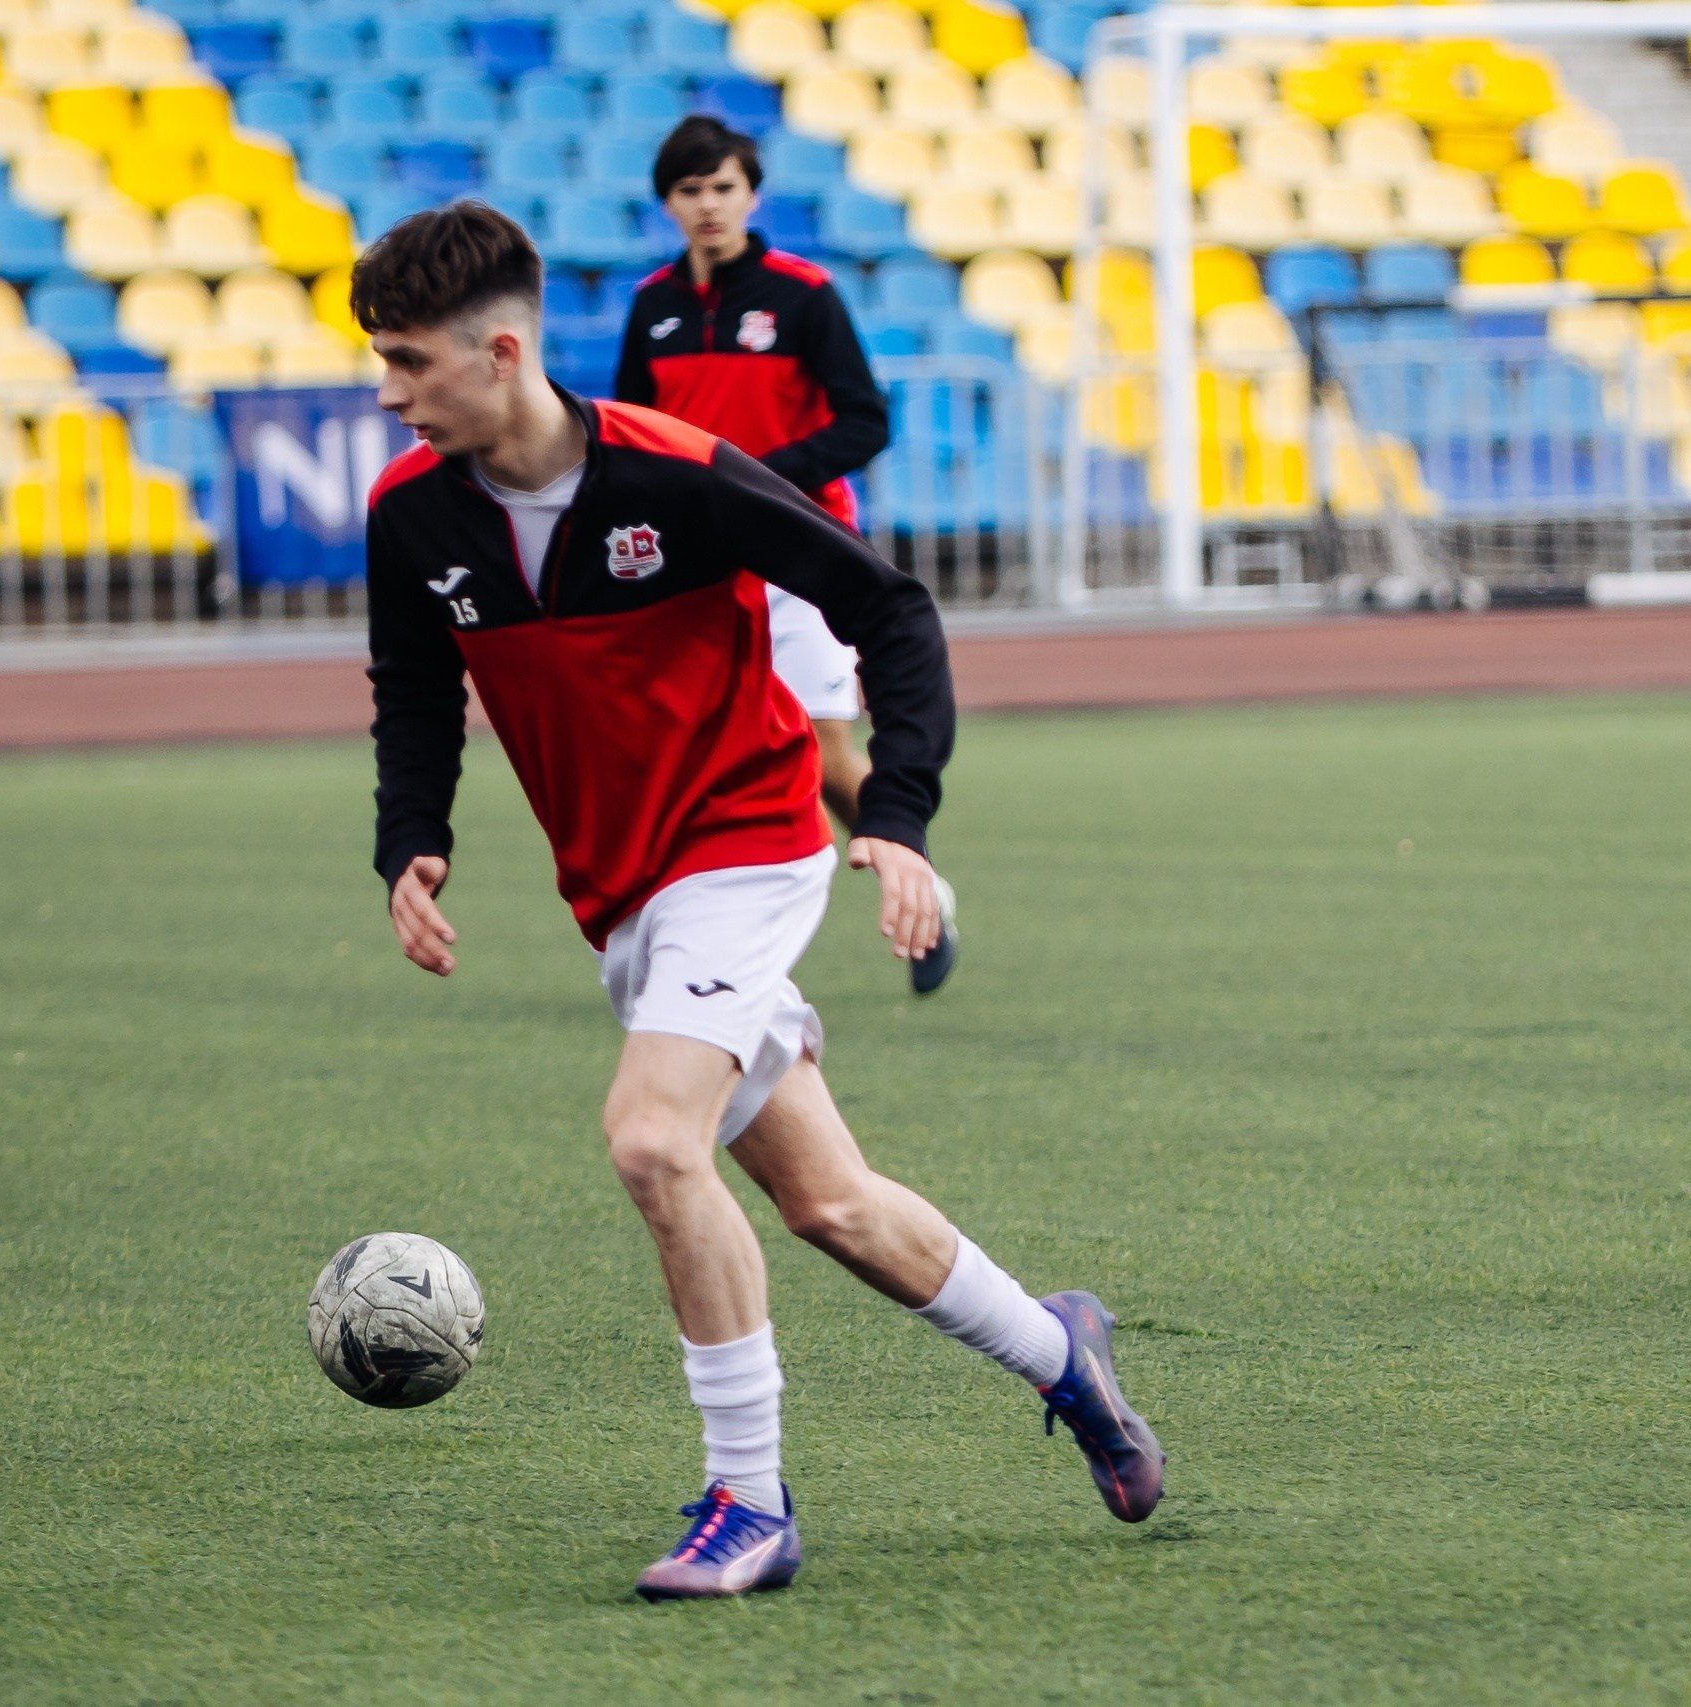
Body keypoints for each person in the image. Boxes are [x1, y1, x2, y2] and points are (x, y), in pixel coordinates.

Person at [360, 203, 1162, 1600]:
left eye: (409, 361)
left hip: (747, 842)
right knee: (830, 1202)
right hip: (624, 895)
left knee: (651, 1141)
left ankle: (750, 1499)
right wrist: (413, 841)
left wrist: (897, 820)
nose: (387, 391)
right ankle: (1062, 1354)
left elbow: (891, 610)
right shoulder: (410, 516)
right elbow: (419, 691)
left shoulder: (677, 475)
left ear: (499, 352)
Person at [614, 114, 958, 994]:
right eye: (690, 191)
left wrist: (755, 480)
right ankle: (704, 946)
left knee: (823, 752)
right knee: (686, 748)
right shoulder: (652, 307)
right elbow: (627, 435)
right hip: (692, 562)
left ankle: (914, 877)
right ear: (669, 203)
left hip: (797, 552)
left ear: (751, 193)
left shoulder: (803, 294)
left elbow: (864, 420)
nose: (707, 205)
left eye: (722, 187)